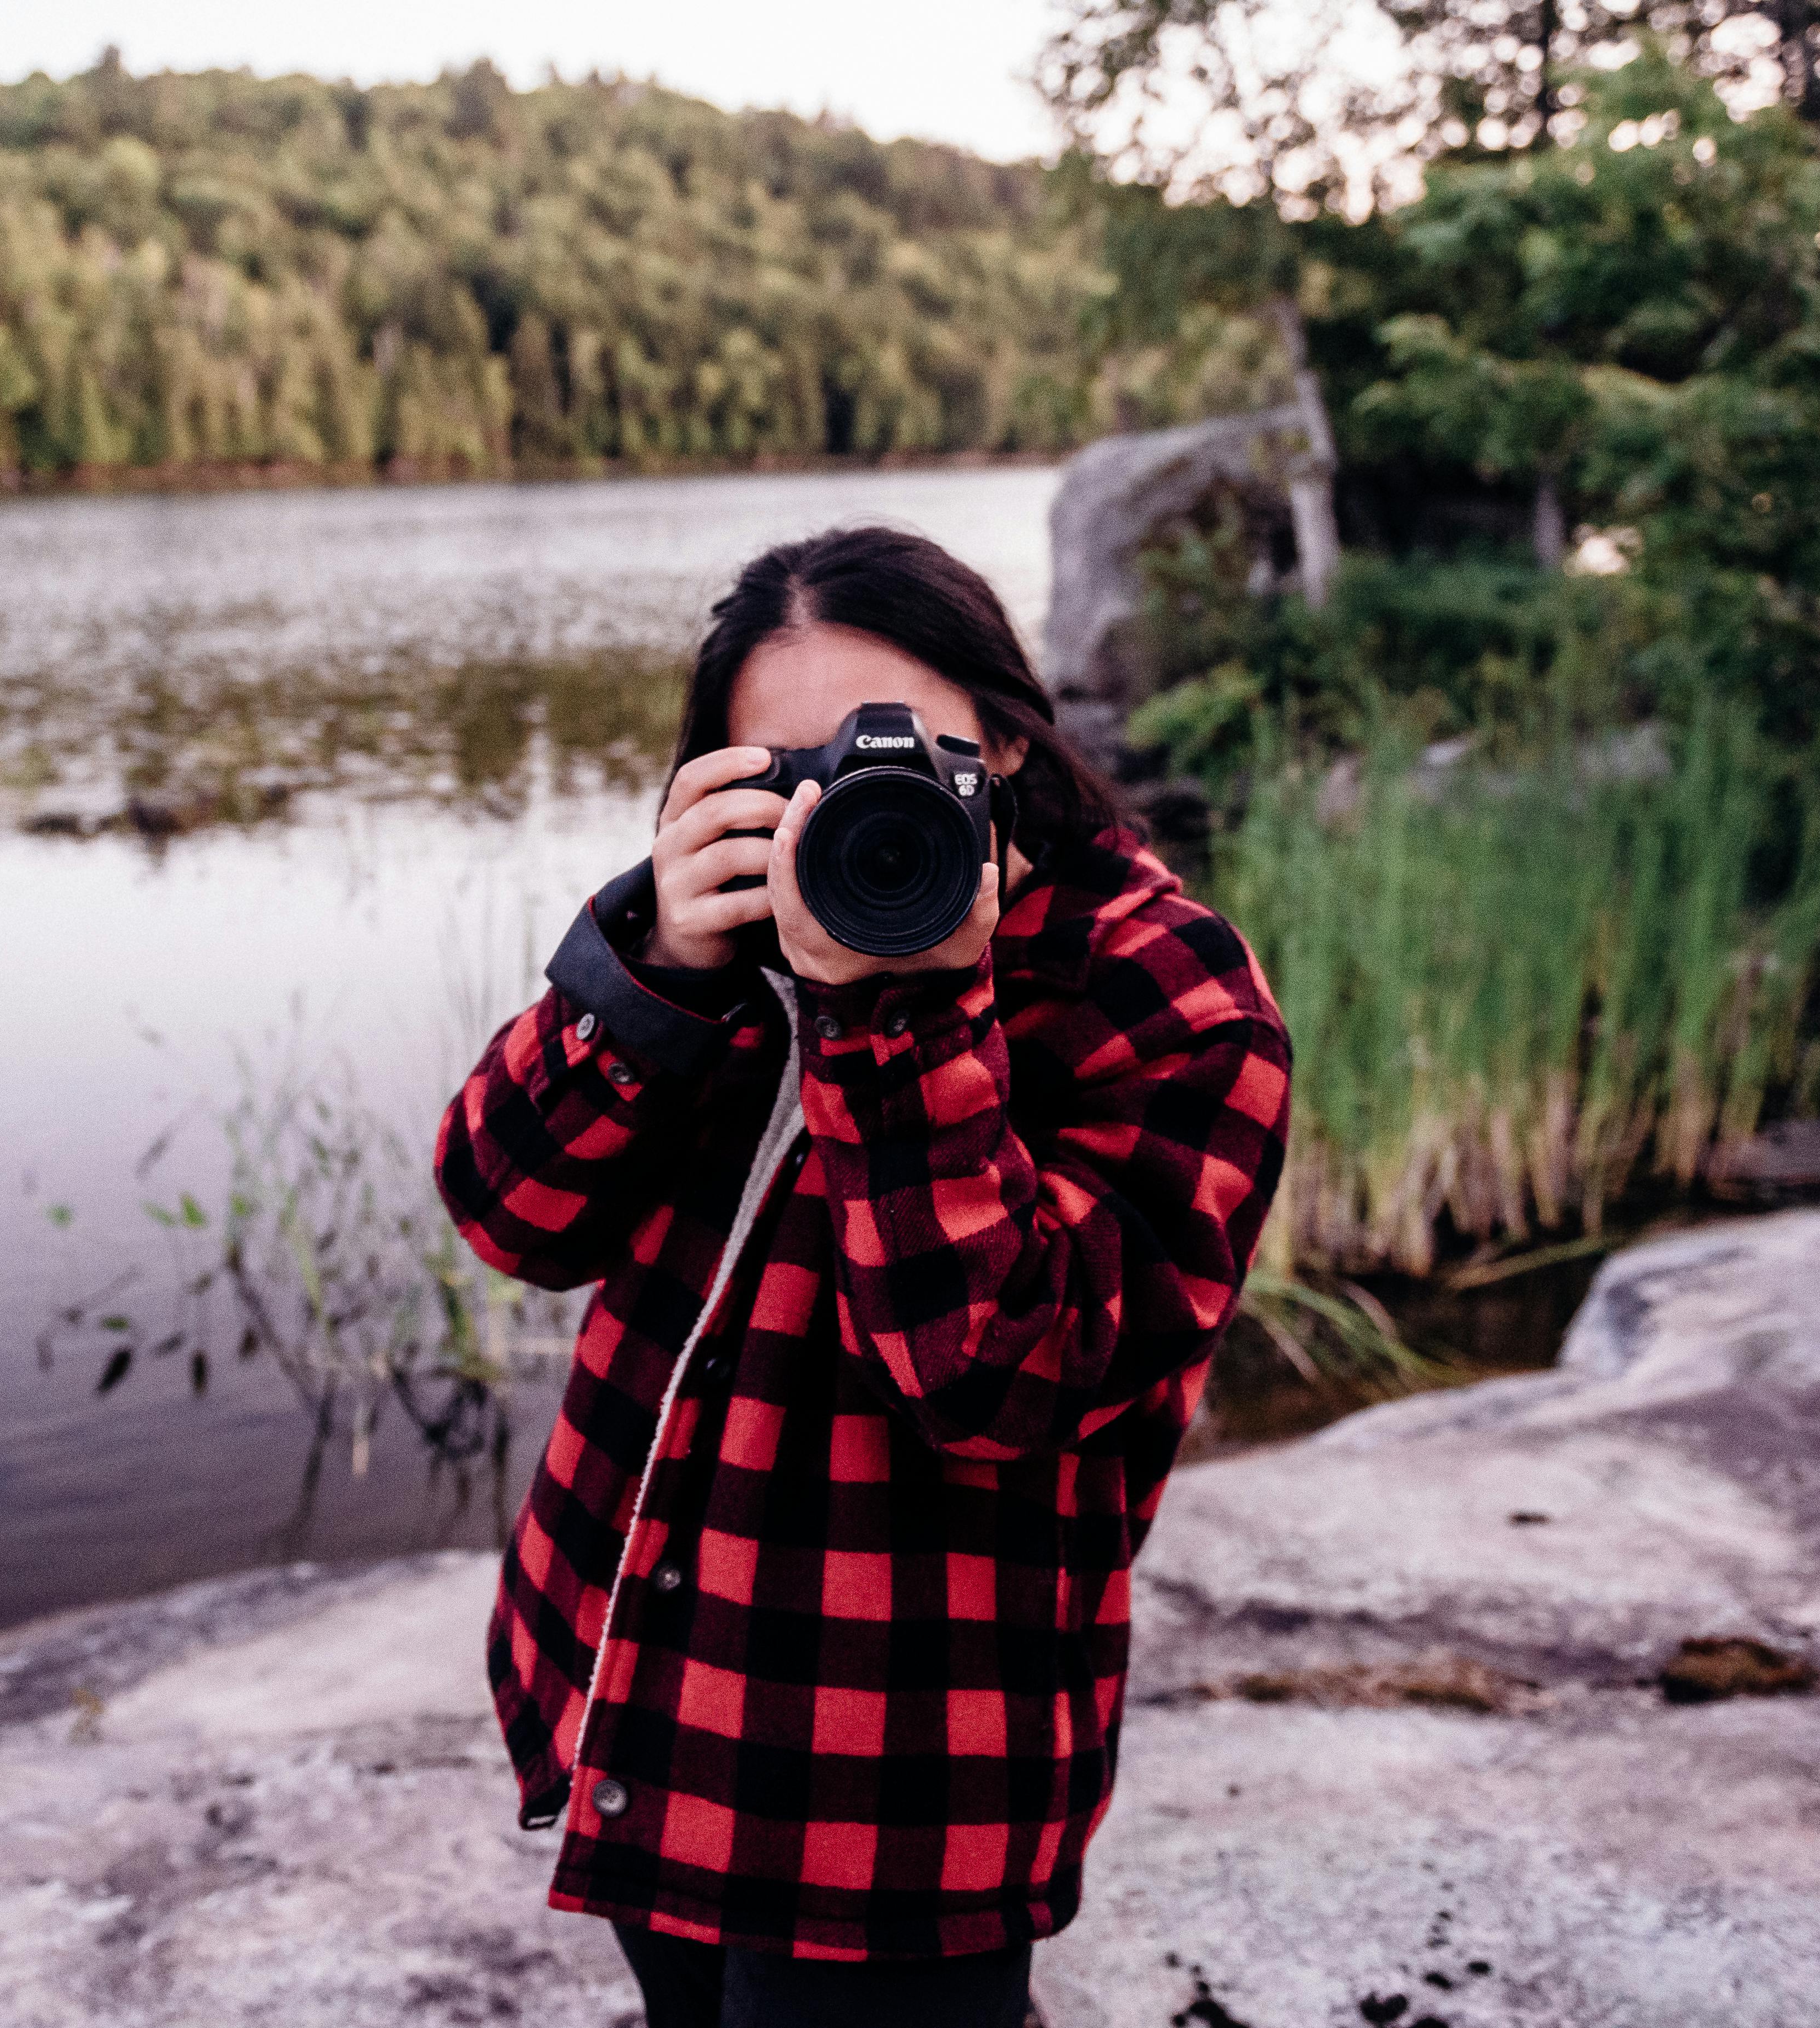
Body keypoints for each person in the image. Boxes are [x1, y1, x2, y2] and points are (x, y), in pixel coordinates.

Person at [433, 524, 1293, 2028]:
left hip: (896, 1782)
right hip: (635, 1687)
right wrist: (649, 970)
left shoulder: (1162, 992)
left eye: (902, 752)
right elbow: (507, 1215)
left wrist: (898, 1015)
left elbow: (996, 1383)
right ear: (714, 783)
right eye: (789, 771)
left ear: (1009, 746)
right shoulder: (722, 934)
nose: (850, 805)